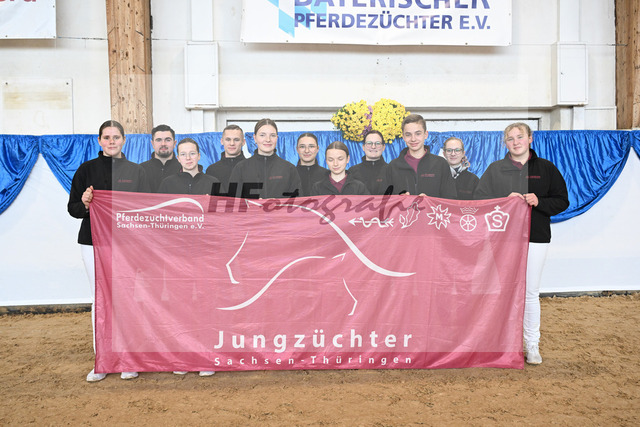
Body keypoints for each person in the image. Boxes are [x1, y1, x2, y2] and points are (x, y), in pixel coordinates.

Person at [475, 122, 569, 365]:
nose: (515, 142)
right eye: (510, 138)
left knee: (530, 292)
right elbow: (479, 199)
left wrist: (539, 201)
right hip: (502, 240)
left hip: (536, 237)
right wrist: (503, 200)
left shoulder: (546, 168)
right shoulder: (495, 169)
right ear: (504, 143)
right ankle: (502, 343)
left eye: (519, 137)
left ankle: (532, 344)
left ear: (530, 139)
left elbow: (562, 201)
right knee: (501, 290)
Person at [67, 120, 149, 382]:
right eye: (107, 137)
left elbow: (145, 209)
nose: (112, 141)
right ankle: (102, 360)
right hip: (92, 242)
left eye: (116, 137)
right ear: (99, 141)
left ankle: (127, 359)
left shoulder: (136, 171)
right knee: (100, 299)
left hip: (127, 244)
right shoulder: (86, 169)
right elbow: (73, 209)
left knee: (126, 299)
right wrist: (85, 203)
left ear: (124, 140)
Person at [386, 114, 457, 198]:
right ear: (403, 137)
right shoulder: (393, 166)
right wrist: (399, 199)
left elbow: (451, 199)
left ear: (425, 134)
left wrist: (430, 202)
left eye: (418, 134)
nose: (413, 139)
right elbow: (385, 200)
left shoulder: (440, 164)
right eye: (408, 135)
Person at [228, 118, 302, 199]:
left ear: (277, 138)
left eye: (272, 135)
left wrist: (277, 203)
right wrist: (254, 204)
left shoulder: (289, 169)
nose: (268, 140)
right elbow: (232, 202)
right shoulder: (240, 168)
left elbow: (298, 202)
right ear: (255, 138)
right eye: (262, 135)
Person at [205, 124, 246, 195]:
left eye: (236, 140)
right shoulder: (211, 170)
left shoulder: (252, 167)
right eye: (228, 139)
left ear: (243, 142)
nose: (232, 143)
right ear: (222, 141)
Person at [140, 124, 181, 192]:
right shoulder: (141, 170)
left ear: (174, 143)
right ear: (152, 144)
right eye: (158, 140)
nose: (163, 144)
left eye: (168, 140)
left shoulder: (183, 169)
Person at [347, 129, 389, 195]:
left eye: (377, 143)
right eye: (369, 143)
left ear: (383, 147)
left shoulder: (391, 171)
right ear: (363, 147)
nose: (373, 147)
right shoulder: (352, 172)